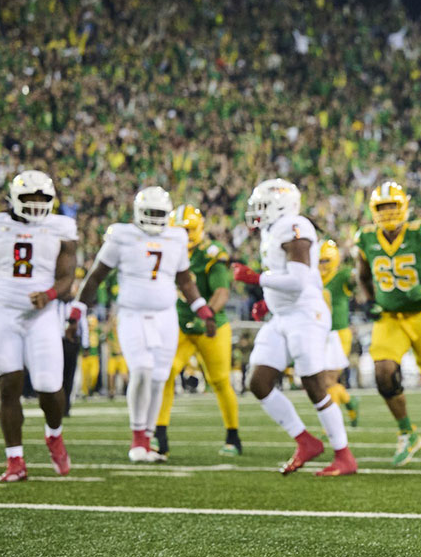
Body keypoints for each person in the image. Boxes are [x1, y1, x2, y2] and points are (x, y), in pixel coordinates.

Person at [67, 186, 216, 463]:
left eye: (159, 213)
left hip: (165, 315)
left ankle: (147, 441)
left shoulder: (175, 237)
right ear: (137, 213)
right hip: (133, 314)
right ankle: (137, 440)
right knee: (142, 370)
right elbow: (96, 276)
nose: (154, 218)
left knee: (159, 378)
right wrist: (77, 311)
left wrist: (204, 310)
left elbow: (185, 280)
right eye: (149, 213)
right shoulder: (122, 236)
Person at [231, 178, 358, 476]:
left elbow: (299, 281)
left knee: (314, 383)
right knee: (259, 382)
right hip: (284, 315)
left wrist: (256, 280)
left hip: (305, 314)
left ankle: (344, 455)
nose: (256, 213)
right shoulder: (272, 231)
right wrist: (268, 302)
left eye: (262, 206)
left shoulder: (294, 226)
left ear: (281, 205)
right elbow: (285, 275)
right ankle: (305, 441)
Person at [0, 171, 78, 481]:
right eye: (30, 198)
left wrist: (49, 294)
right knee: (7, 386)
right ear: (14, 198)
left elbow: (68, 278)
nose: (37, 204)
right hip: (3, 312)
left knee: (49, 389)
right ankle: (15, 460)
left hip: (42, 315)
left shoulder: (60, 228)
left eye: (43, 198)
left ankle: (54, 434)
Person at [356, 181, 421, 468]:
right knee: (383, 372)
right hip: (391, 316)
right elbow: (363, 276)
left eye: (392, 206)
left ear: (404, 206)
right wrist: (368, 302)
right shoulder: (366, 238)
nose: (388, 212)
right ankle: (407, 432)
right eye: (382, 207)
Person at [153, 205, 242, 457]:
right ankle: (160, 435)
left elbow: (222, 291)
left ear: (199, 228)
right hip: (179, 323)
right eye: (178, 229)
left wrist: (208, 315)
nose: (183, 234)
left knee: (220, 380)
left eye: (188, 229)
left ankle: (233, 436)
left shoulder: (210, 253)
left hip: (210, 325)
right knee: (166, 372)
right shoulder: (166, 249)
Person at [319, 239, 360, 426]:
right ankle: (350, 402)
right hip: (320, 335)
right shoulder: (312, 279)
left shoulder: (343, 275)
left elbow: (357, 280)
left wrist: (356, 260)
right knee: (323, 382)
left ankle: (331, 427)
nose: (322, 265)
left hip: (339, 335)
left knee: (328, 381)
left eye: (325, 260)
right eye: (319, 261)